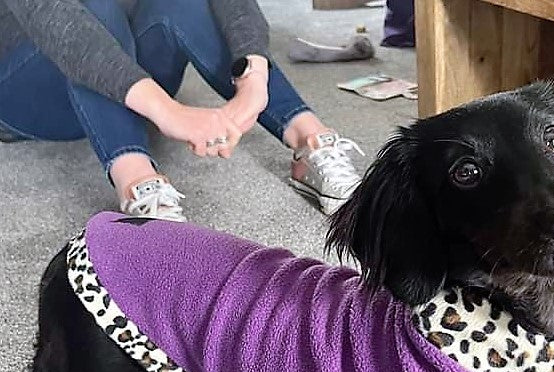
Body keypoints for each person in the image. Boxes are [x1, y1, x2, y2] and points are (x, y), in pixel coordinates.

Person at [0, 0, 363, 219]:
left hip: (132, 78)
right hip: (27, 91)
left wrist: (254, 78)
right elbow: (60, 24)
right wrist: (169, 112)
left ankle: (307, 137)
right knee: (93, 9)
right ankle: (136, 180)